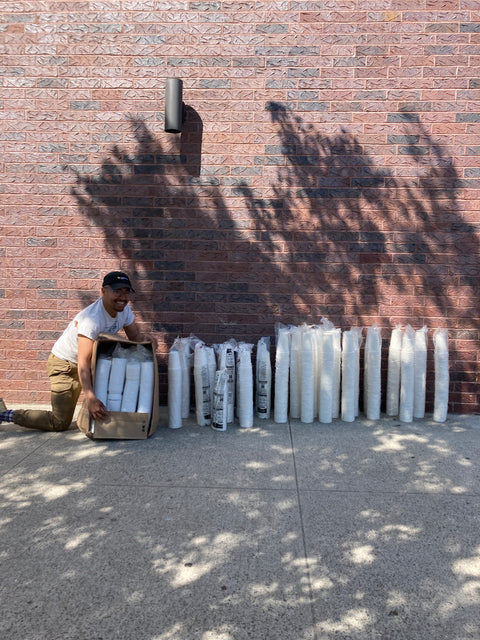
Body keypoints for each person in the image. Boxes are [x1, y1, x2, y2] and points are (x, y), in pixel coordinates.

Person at [0, 271, 156, 432]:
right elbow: (83, 362)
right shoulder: (92, 320)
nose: (122, 297)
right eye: (117, 291)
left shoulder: (124, 311)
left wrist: (148, 340)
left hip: (92, 363)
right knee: (59, 422)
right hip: (65, 366)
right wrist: (90, 397)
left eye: (126, 291)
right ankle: (6, 415)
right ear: (103, 291)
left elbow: (134, 336)